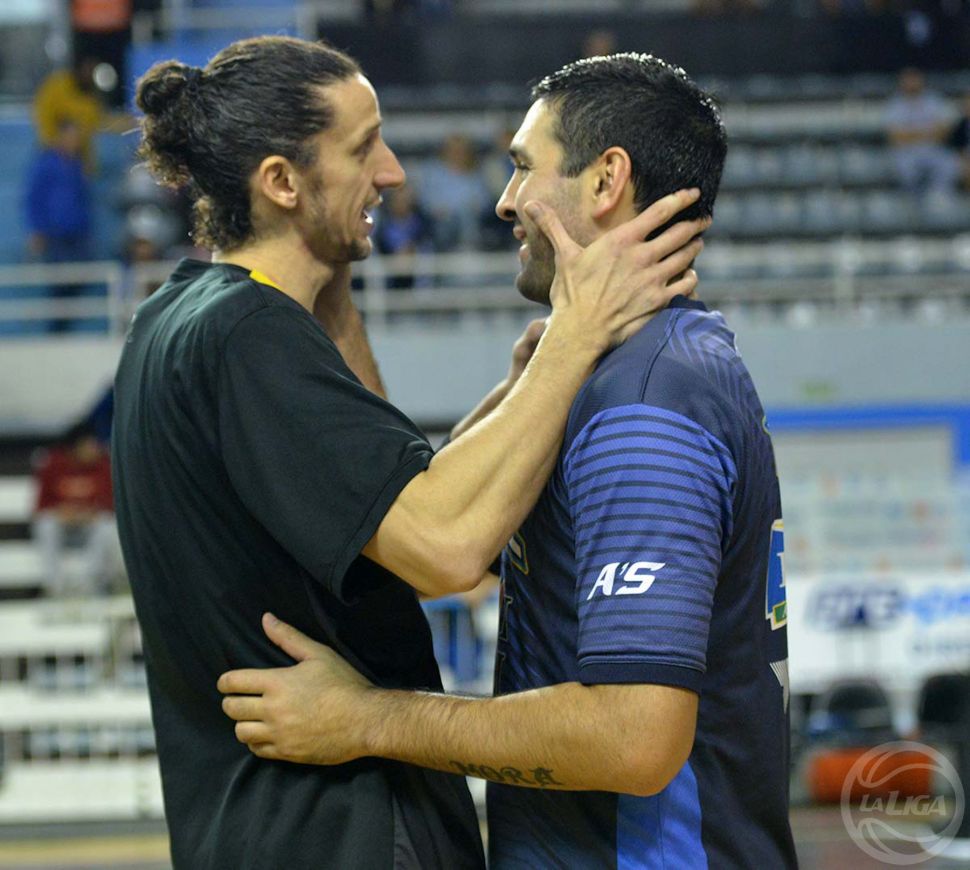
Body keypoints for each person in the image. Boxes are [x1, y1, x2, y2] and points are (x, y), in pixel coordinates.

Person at [112, 36, 706, 870]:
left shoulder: (170, 319)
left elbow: (389, 501)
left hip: (244, 827)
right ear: (282, 182)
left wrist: (507, 383)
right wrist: (578, 333)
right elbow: (443, 547)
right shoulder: (248, 334)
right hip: (339, 827)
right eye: (363, 149)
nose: (391, 173)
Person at [219, 53, 798, 869]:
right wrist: (537, 371)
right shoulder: (612, 373)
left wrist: (367, 719)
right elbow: (440, 534)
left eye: (524, 166)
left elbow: (634, 739)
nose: (504, 200)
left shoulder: (646, 403)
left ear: (606, 181)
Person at [33, 421, 117, 597]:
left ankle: (91, 584)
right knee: (46, 524)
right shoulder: (54, 464)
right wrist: (61, 512)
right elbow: (40, 506)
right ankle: (54, 587)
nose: (95, 448)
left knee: (107, 525)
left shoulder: (103, 465)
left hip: (89, 528)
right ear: (76, 446)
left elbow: (111, 504)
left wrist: (90, 513)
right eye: (90, 444)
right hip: (62, 527)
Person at [885, 67, 959, 196]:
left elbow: (944, 131)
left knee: (949, 165)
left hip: (933, 148)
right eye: (908, 80)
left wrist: (913, 133)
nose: (912, 84)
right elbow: (896, 137)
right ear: (902, 82)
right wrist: (928, 132)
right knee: (906, 169)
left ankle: (940, 197)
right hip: (907, 151)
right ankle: (911, 198)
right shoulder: (895, 105)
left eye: (915, 80)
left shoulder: (934, 100)